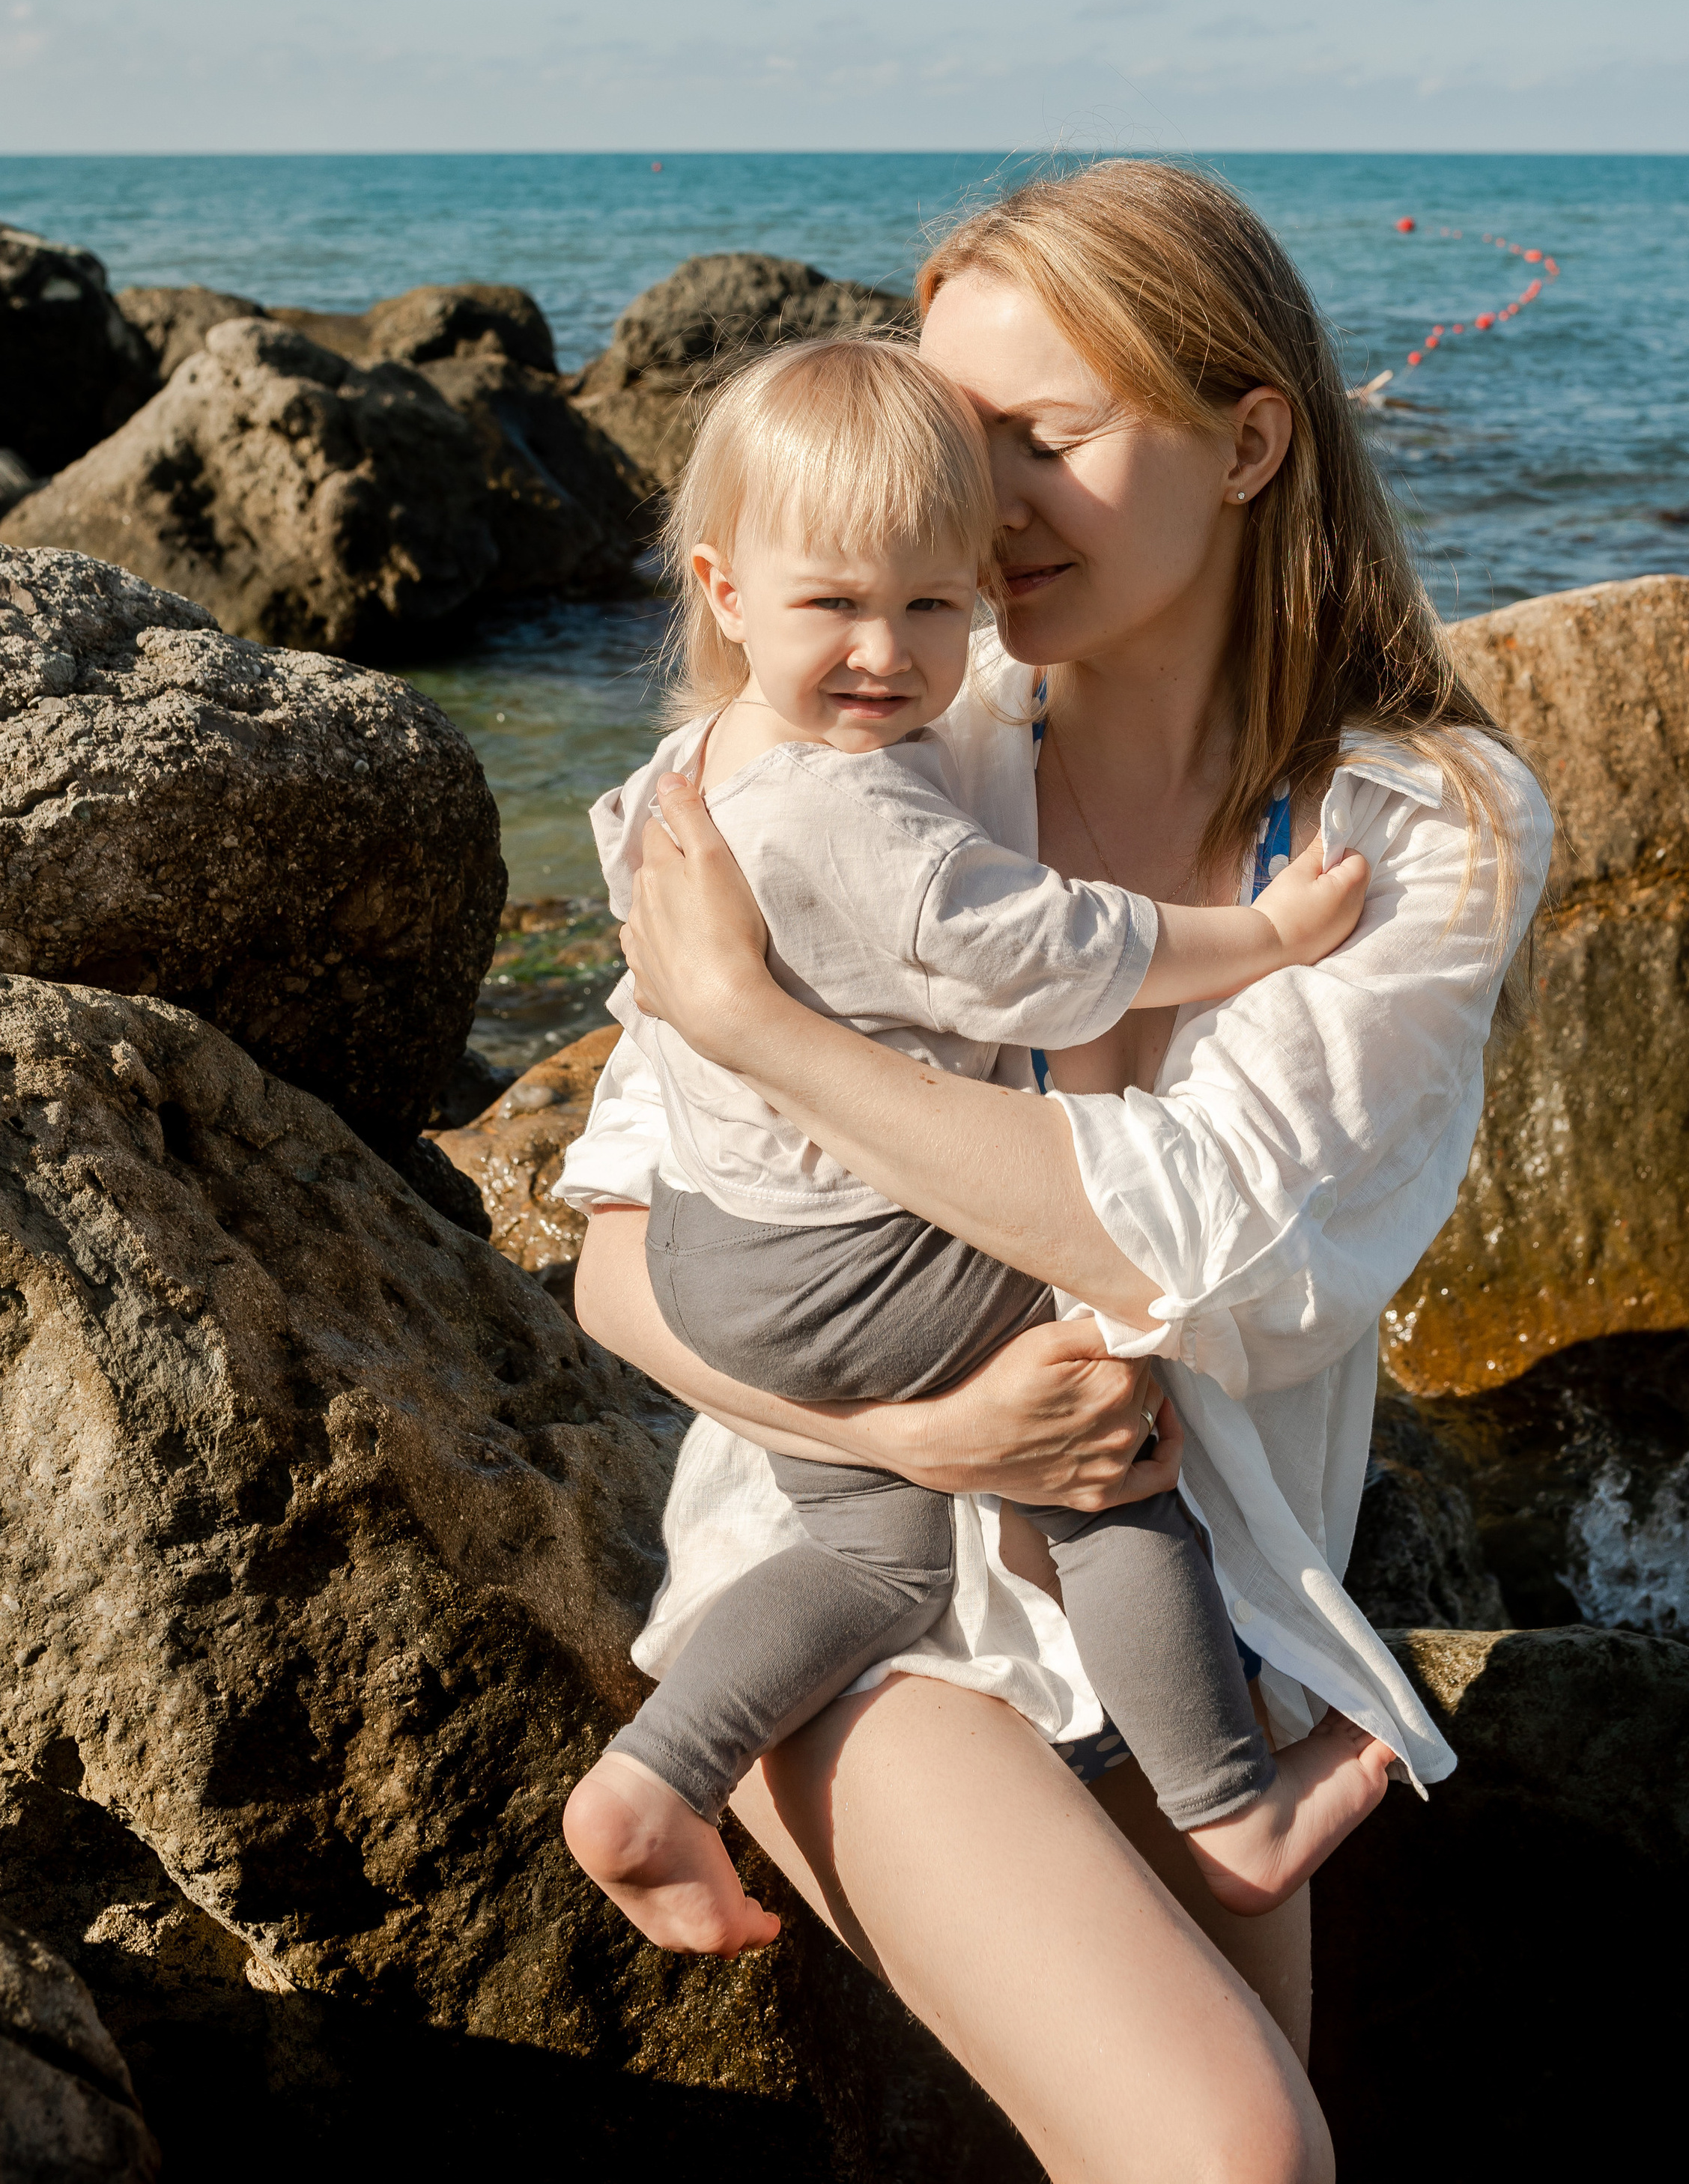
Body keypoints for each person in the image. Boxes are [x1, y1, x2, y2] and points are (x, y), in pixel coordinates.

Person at [565, 162, 1553, 2184]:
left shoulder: (1418, 823)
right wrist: (934, 1432)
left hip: (1218, 1624)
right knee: (1230, 2155)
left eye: (1050, 438)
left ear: (1251, 439)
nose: (978, 504)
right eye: (952, 434)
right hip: (863, 1609)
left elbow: (1217, 1240)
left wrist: (770, 1030)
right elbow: (616, 1260)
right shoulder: (876, 738)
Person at [560, 333, 1381, 1956]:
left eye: (932, 608)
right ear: (724, 589)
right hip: (853, 1265)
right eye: (835, 607)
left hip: (719, 1244)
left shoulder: (695, 764)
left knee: (872, 1559)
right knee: (1103, 1427)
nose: (885, 653)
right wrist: (1267, 935)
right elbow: (1065, 948)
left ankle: (657, 1779)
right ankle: (1231, 1804)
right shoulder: (862, 820)